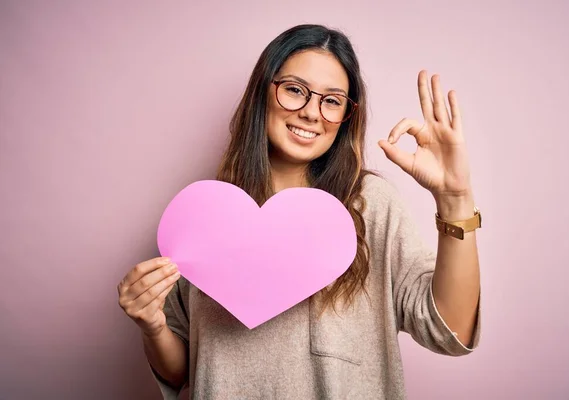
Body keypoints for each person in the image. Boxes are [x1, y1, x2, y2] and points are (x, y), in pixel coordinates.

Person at [117, 24, 482, 399]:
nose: (311, 112)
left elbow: (450, 331)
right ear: (263, 92)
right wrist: (153, 325)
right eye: (295, 90)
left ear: (346, 116)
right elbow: (181, 372)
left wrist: (455, 197)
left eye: (332, 100)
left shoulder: (371, 204)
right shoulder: (204, 214)